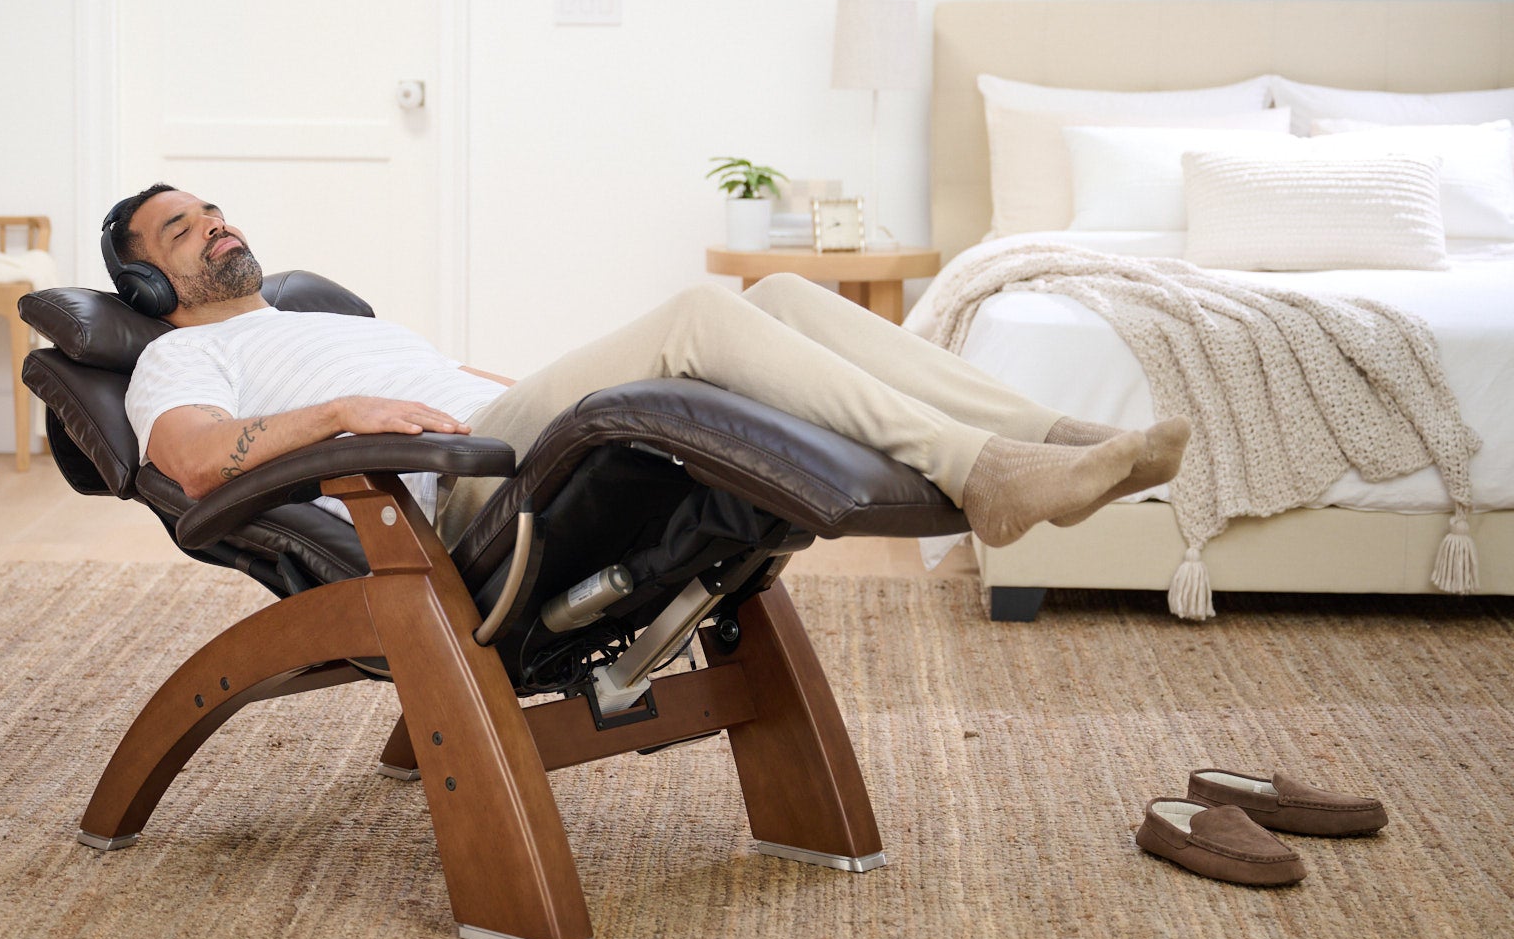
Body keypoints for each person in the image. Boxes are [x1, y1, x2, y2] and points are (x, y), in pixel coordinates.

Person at [114, 185, 1189, 551]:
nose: (214, 225)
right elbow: (197, 461)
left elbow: (470, 379)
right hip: (458, 484)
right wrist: (342, 413)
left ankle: (1044, 439)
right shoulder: (177, 355)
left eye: (213, 210)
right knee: (697, 313)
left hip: (504, 423)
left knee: (778, 295)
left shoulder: (325, 316)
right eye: (181, 230)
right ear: (149, 284)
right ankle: (981, 471)